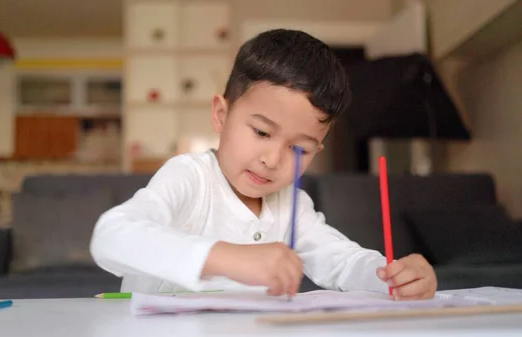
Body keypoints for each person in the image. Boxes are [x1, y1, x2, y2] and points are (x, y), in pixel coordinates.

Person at [90, 29, 437, 300]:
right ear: (221, 114)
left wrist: (391, 275)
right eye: (260, 132)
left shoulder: (293, 205)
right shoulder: (190, 177)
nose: (272, 160)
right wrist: (225, 258)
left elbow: (341, 261)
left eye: (299, 148)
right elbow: (111, 237)